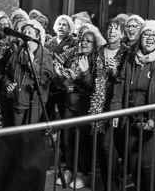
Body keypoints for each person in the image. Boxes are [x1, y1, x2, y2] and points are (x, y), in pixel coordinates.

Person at [108, 20, 155, 191]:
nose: (149, 38)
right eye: (146, 34)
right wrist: (115, 110)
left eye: (154, 35)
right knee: (133, 163)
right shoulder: (131, 60)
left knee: (147, 163)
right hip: (133, 119)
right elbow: (119, 84)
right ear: (140, 37)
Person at [52, 24, 105, 188]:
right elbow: (65, 83)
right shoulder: (74, 57)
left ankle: (83, 172)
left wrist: (83, 75)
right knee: (68, 138)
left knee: (82, 142)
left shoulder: (97, 60)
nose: (83, 43)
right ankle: (69, 169)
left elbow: (95, 88)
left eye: (88, 41)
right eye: (82, 40)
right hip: (69, 103)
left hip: (85, 106)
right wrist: (61, 76)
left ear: (95, 44)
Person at [1, 18, 55, 126]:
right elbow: (7, 74)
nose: (25, 34)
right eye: (24, 32)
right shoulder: (17, 53)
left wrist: (32, 64)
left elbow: (46, 77)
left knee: (29, 136)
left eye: (29, 32)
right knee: (18, 135)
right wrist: (8, 85)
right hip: (18, 100)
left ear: (37, 36)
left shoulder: (44, 53)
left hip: (35, 102)